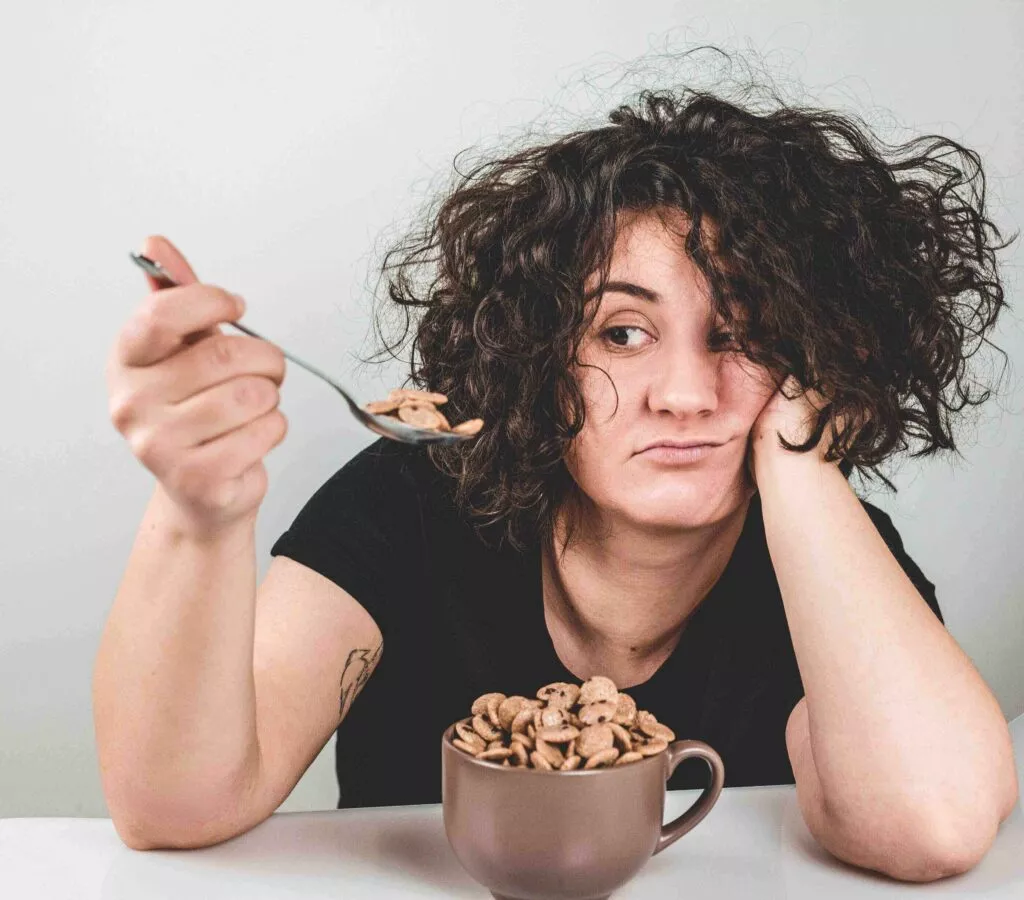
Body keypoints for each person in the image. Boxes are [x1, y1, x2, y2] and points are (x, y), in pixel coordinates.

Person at [94, 78, 1019, 882]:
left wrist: (804, 460)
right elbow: (175, 808)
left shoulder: (827, 555)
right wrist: (197, 512)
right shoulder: (406, 504)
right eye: (622, 332)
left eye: (744, 334)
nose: (688, 396)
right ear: (539, 357)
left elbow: (928, 826)